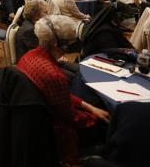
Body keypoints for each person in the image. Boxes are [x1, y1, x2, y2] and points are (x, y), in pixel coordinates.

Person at [17, 15, 110, 166]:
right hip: (53, 131)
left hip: (34, 120)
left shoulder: (29, 55)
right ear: (58, 44)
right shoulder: (54, 75)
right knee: (105, 125)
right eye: (69, 41)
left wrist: (89, 107)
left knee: (91, 103)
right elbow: (71, 117)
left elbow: (59, 96)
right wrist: (95, 119)